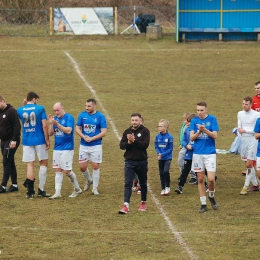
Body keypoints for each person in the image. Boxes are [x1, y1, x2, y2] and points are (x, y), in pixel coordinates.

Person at [17, 92, 50, 199]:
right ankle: (41, 190)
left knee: (30, 165)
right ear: (34, 99)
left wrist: (24, 105)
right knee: (43, 163)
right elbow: (45, 125)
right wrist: (47, 139)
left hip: (27, 140)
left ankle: (30, 192)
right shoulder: (40, 108)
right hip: (39, 139)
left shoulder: (20, 110)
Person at [48, 102, 82, 199]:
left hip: (67, 148)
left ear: (63, 108)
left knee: (67, 171)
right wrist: (51, 124)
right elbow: (50, 133)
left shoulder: (69, 117)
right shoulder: (55, 119)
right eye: (54, 111)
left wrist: (57, 124)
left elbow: (68, 131)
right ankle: (57, 192)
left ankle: (77, 189)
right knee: (58, 170)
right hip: (57, 148)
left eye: (58, 110)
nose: (56, 112)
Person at [190, 101, 219, 213]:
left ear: (206, 109)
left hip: (210, 153)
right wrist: (198, 132)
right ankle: (203, 203)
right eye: (198, 110)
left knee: (211, 179)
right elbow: (192, 138)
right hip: (198, 153)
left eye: (201, 110)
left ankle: (211, 196)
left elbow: (215, 135)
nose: (199, 112)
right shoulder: (194, 120)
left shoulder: (212, 119)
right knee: (200, 179)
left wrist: (205, 130)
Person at [118, 113, 150, 214]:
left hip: (141, 162)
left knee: (143, 183)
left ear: (140, 121)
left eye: (136, 120)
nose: (134, 122)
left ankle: (143, 202)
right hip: (129, 161)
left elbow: (145, 145)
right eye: (132, 120)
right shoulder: (127, 131)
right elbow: (121, 146)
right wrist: (128, 143)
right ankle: (126, 205)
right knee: (128, 183)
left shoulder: (145, 131)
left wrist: (134, 141)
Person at [76, 98, 107, 195]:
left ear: (94, 106)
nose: (87, 108)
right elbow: (77, 128)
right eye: (86, 106)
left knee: (95, 166)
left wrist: (92, 138)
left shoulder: (100, 116)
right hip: (84, 145)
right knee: (82, 167)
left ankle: (95, 188)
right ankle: (89, 180)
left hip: (96, 145)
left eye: (89, 106)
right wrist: (83, 136)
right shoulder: (82, 115)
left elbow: (104, 132)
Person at [237, 96, 260, 195]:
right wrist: (237, 131)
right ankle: (255, 184)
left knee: (249, 164)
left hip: (253, 140)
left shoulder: (257, 115)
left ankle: (245, 187)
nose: (244, 106)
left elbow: (257, 130)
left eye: (246, 104)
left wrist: (245, 130)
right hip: (243, 140)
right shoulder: (240, 114)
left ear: (251, 104)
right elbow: (239, 127)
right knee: (248, 164)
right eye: (243, 104)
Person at [0, 95, 21, 193]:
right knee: (10, 161)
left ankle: (3, 186)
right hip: (3, 141)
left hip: (11, 140)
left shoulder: (11, 111)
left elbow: (17, 126)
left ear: (2, 101)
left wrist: (14, 140)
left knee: (6, 161)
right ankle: (14, 184)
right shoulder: (0, 113)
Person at [175, 114, 197, 194]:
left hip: (196, 153)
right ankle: (180, 186)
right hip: (188, 153)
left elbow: (200, 142)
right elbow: (183, 140)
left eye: (188, 122)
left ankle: (206, 184)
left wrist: (193, 146)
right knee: (186, 170)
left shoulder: (198, 131)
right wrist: (186, 145)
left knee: (199, 170)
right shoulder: (186, 130)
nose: (187, 124)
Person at [154, 119, 173, 196]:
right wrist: (159, 153)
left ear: (165, 127)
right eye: (158, 126)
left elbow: (170, 148)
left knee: (165, 171)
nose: (159, 127)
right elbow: (156, 146)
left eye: (160, 126)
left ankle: (167, 186)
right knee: (161, 173)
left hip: (167, 157)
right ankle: (163, 188)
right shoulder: (157, 136)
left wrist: (163, 154)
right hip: (160, 157)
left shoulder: (169, 137)